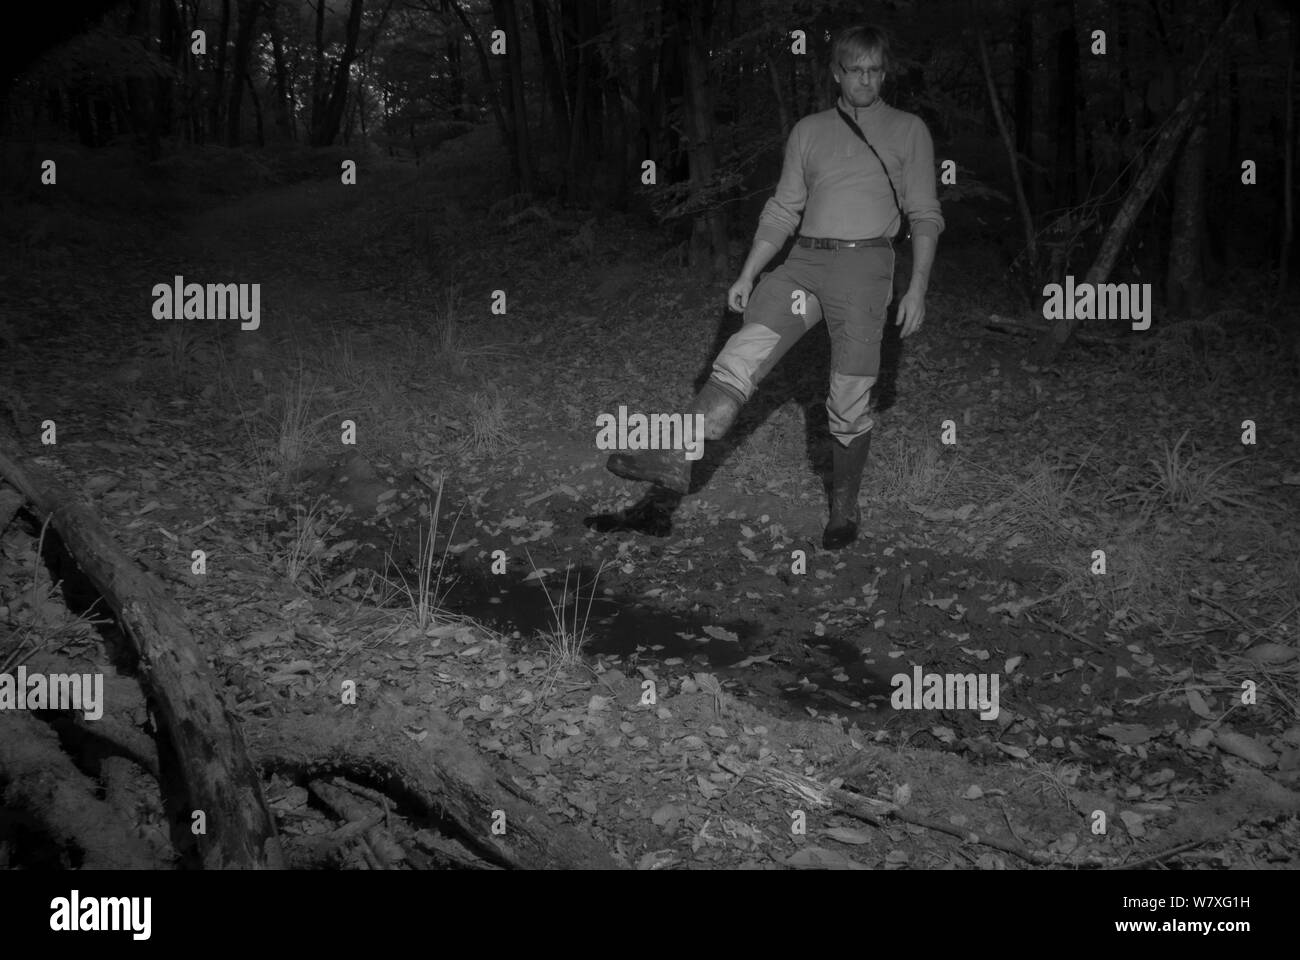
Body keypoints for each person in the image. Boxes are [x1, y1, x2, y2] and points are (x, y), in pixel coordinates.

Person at [606, 24, 943, 549]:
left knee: (848, 396)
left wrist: (917, 286)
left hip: (866, 267)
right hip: (805, 261)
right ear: (836, 72)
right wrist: (748, 272)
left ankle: (844, 507)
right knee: (741, 353)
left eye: (875, 70)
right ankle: (676, 457)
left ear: (884, 73)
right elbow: (784, 208)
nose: (866, 80)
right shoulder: (809, 131)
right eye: (856, 70)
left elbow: (925, 214)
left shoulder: (909, 130)